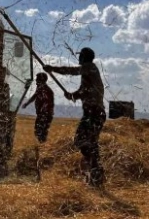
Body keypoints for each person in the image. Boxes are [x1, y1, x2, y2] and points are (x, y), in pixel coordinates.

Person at [43, 47, 106, 187]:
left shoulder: (89, 67)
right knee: (86, 142)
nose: (79, 59)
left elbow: (73, 71)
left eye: (80, 56)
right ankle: (95, 174)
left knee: (85, 141)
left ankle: (96, 174)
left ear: (84, 57)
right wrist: (73, 95)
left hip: (94, 113)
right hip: (93, 114)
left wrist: (52, 68)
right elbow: (85, 91)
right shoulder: (90, 72)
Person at [22, 72, 55, 143]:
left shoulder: (45, 90)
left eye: (37, 79)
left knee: (41, 132)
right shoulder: (40, 88)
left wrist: (42, 113)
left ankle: (42, 147)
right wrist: (27, 103)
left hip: (45, 114)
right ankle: (41, 146)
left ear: (41, 80)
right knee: (38, 131)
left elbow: (47, 102)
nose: (36, 80)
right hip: (42, 114)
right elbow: (34, 96)